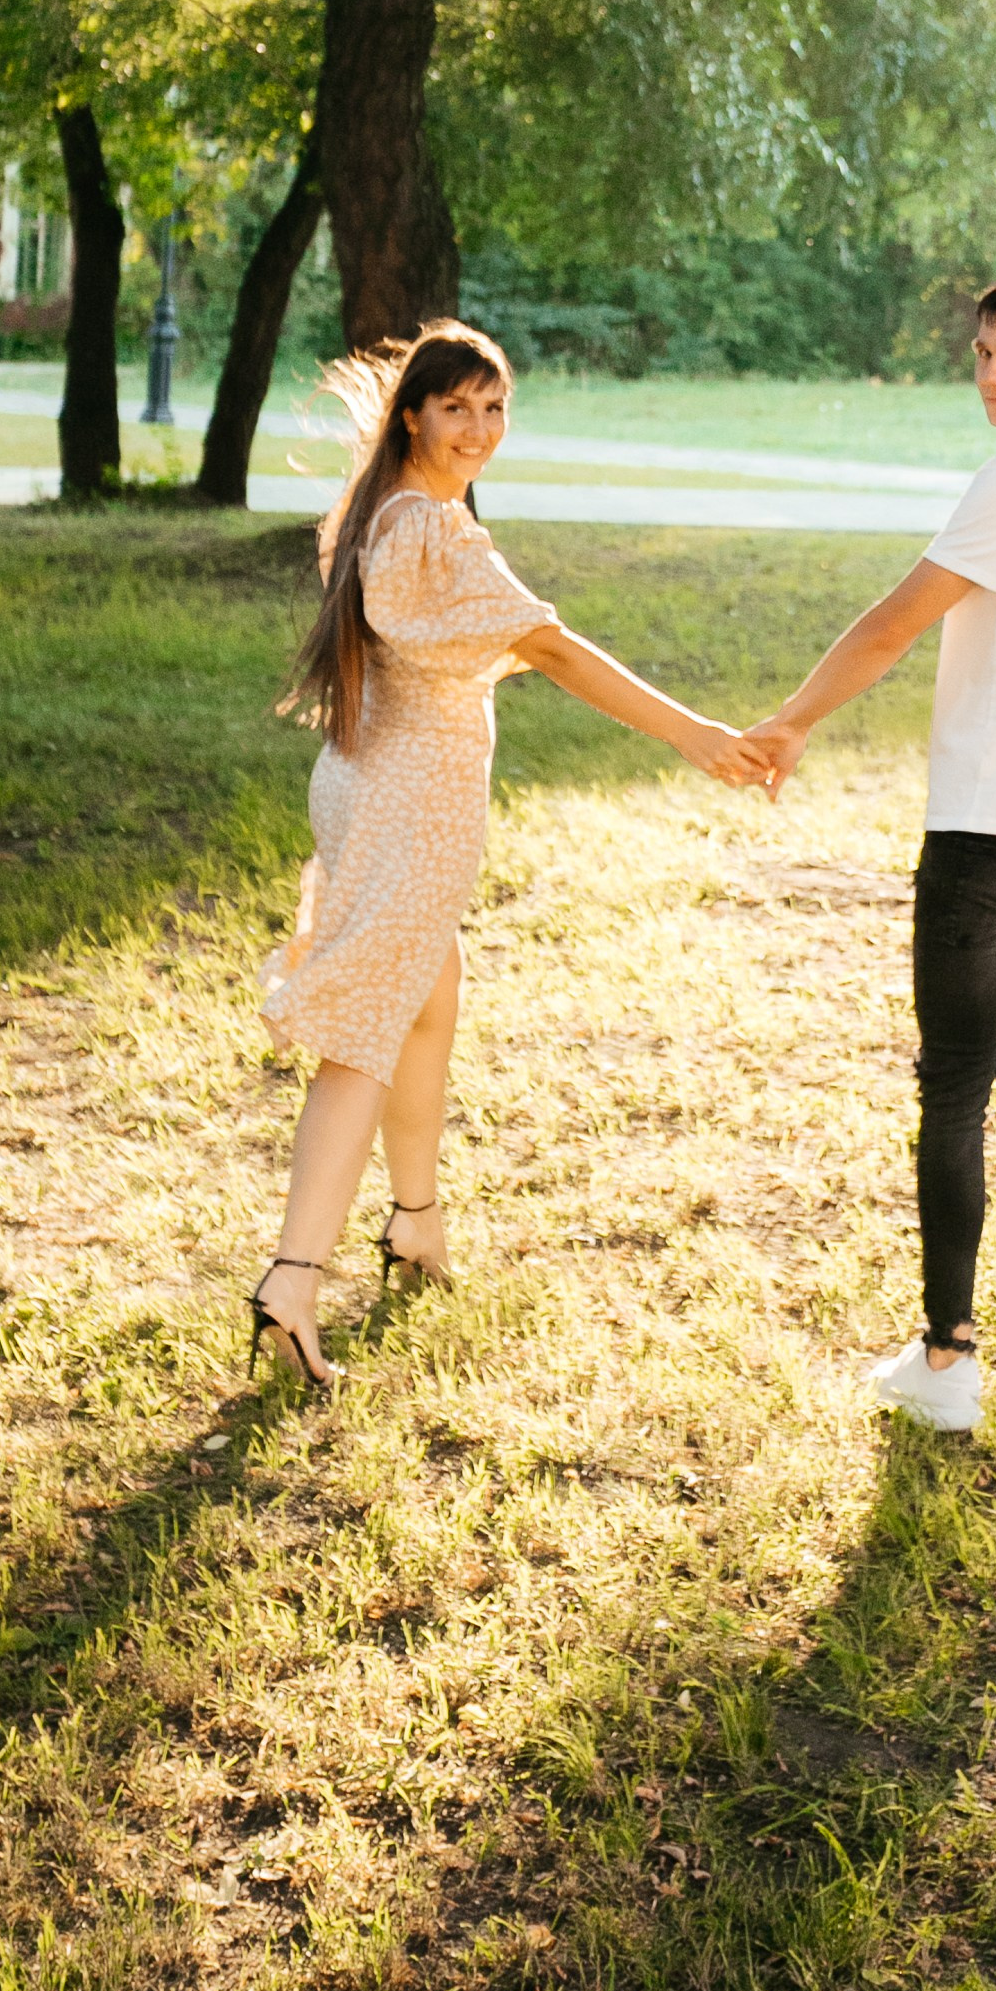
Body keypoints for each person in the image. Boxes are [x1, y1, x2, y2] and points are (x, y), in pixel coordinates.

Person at [252, 318, 766, 1391]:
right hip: (407, 803)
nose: (480, 429)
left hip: (367, 783)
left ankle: (417, 1221)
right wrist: (694, 733)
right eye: (457, 408)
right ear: (413, 415)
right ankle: (292, 1281)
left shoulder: (379, 510)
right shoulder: (434, 529)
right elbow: (549, 645)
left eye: (495, 408)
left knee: (432, 987)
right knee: (366, 1031)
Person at [747, 268, 996, 1434]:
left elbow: (893, 619)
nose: (991, 374)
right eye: (981, 351)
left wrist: (790, 719)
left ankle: (946, 1357)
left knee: (953, 1081)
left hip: (990, 829)